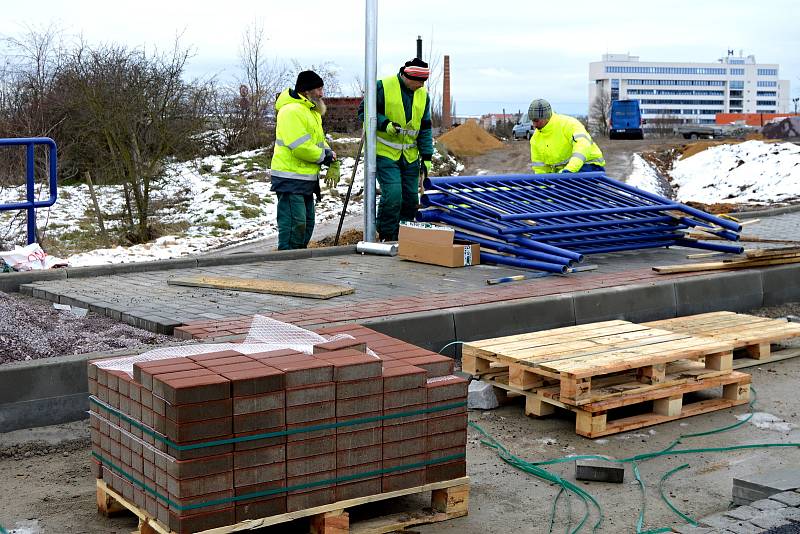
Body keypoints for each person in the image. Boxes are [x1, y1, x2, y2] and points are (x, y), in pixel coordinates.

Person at [358, 58, 434, 241]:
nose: (422, 85)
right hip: (385, 153)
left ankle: (404, 236)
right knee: (393, 195)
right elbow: (363, 112)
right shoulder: (382, 87)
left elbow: (425, 127)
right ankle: (387, 235)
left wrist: (427, 155)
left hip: (409, 156)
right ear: (408, 76)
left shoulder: (423, 95)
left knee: (410, 199)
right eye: (420, 81)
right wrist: (385, 124)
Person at [270, 70, 336, 250]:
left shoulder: (310, 111)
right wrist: (324, 157)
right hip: (290, 178)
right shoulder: (291, 111)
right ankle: (287, 263)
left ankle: (298, 264)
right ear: (307, 91)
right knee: (294, 226)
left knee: (306, 224)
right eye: (319, 89)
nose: (322, 94)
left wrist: (331, 154)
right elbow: (300, 146)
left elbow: (318, 141)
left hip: (305, 178)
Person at [527, 99, 605, 174]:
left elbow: (582, 146)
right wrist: (543, 187)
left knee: (566, 185)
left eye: (536, 121)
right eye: (532, 121)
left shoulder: (568, 124)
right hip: (564, 173)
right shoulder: (535, 139)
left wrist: (569, 170)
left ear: (546, 116)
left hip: (589, 166)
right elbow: (540, 169)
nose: (534, 125)